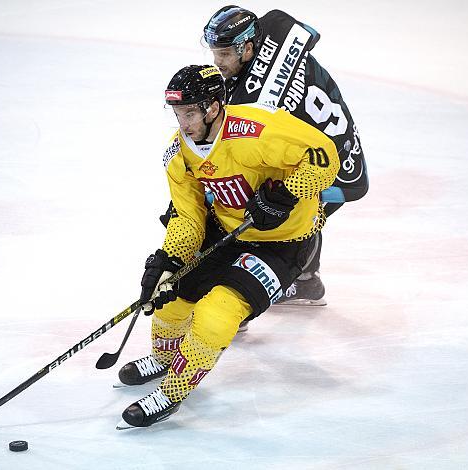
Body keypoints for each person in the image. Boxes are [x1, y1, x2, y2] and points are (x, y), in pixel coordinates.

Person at [117, 65, 339, 429]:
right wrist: (168, 260)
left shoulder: (256, 131)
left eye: (189, 113)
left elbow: (324, 155)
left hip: (284, 245)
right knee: (170, 295)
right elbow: (188, 217)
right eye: (177, 113)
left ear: (214, 106)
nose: (182, 122)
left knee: (216, 315)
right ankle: (164, 357)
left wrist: (284, 195)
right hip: (229, 233)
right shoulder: (178, 154)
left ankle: (173, 391)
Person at [200, 5, 369, 308]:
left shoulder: (255, 102)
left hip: (334, 169)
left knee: (263, 206)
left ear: (248, 48)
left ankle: (295, 282)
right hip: (335, 137)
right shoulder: (275, 25)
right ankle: (305, 279)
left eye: (224, 54)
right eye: (215, 52)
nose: (217, 62)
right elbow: (308, 33)